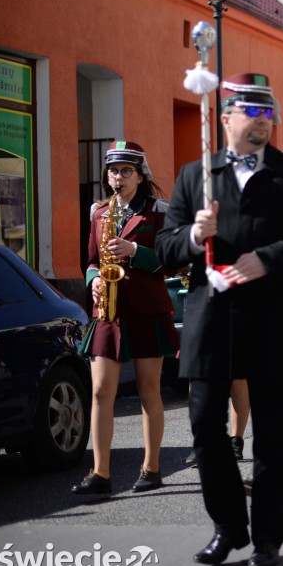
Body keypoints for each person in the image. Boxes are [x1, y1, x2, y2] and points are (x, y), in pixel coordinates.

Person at [156, 73, 283, 566]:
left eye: (268, 113)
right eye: (251, 113)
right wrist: (193, 236)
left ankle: (266, 540)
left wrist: (269, 260)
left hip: (272, 320)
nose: (261, 122)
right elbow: (165, 248)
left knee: (272, 436)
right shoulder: (198, 175)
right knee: (204, 428)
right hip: (211, 320)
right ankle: (228, 527)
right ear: (225, 118)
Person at [73, 141, 178, 496]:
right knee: (101, 391)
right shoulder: (100, 213)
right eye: (113, 171)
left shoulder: (158, 211)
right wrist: (95, 281)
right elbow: (88, 260)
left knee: (149, 389)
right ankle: (100, 472)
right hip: (109, 310)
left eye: (126, 171)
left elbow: (172, 259)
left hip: (147, 307)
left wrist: (136, 251)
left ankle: (151, 468)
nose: (118, 177)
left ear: (140, 173)